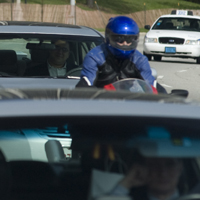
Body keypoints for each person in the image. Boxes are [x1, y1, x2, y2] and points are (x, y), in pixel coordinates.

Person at [76, 16, 167, 93]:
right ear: (108, 38)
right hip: (100, 103)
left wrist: (166, 96)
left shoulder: (139, 59)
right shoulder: (95, 57)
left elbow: (151, 85)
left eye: (130, 40)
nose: (125, 43)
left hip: (128, 104)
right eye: (119, 39)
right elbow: (86, 84)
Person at [111, 157, 184, 200]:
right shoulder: (132, 198)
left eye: (170, 164)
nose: (163, 173)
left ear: (180, 169)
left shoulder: (193, 195)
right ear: (143, 170)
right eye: (155, 165)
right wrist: (127, 182)